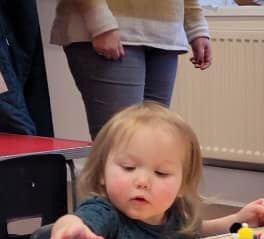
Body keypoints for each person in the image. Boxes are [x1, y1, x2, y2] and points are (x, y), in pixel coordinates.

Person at [46, 102, 264, 239]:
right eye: (128, 168)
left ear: (183, 186)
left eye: (161, 173)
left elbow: (197, 231)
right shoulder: (105, 212)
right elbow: (79, 220)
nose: (143, 181)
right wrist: (67, 226)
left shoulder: (172, 213)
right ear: (103, 172)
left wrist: (239, 221)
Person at [50, 0, 212, 139]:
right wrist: (100, 21)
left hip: (166, 33)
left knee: (154, 143)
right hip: (108, 26)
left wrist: (196, 24)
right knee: (120, 145)